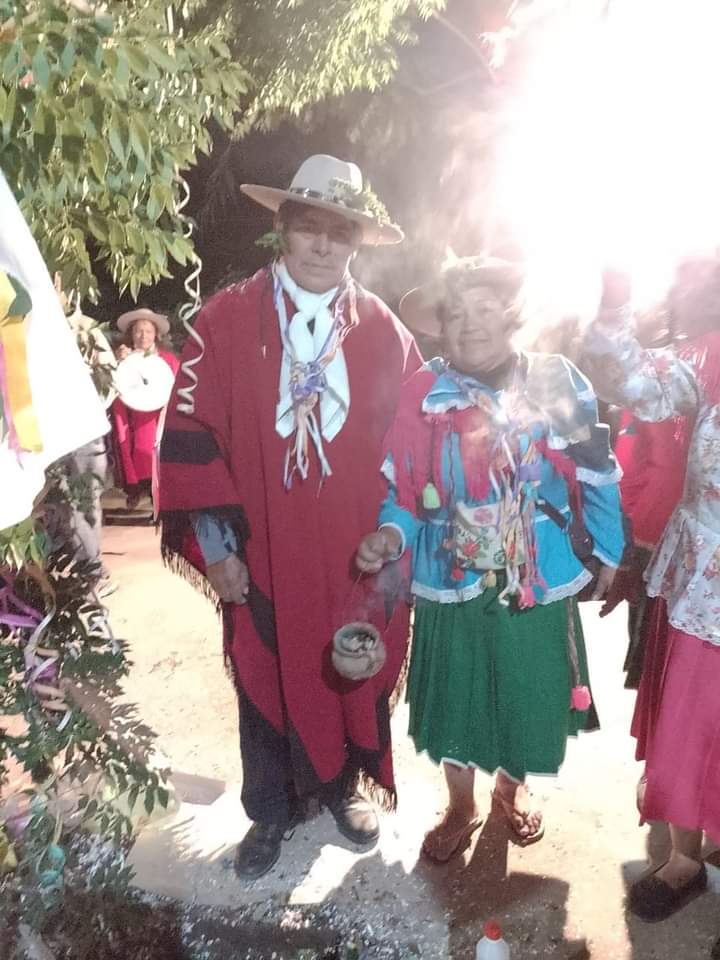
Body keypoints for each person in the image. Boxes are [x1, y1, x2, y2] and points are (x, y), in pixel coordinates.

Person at [158, 154, 421, 880]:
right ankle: (271, 811)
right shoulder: (226, 318)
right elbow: (193, 436)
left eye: (342, 232)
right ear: (283, 227)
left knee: (349, 664)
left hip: (353, 555)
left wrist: (395, 537)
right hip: (262, 547)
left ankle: (342, 789)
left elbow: (414, 449)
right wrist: (217, 548)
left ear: (358, 242)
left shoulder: (384, 331)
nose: (324, 245)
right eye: (310, 226)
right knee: (264, 671)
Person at [356, 256, 625, 861]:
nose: (471, 323)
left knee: (525, 690)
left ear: (510, 316)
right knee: (455, 693)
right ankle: (461, 805)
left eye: (485, 309)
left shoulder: (553, 380)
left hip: (536, 574)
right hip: (448, 575)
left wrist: (608, 550)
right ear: (441, 327)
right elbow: (404, 490)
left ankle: (510, 789)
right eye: (457, 313)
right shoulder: (423, 393)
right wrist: (392, 536)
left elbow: (596, 468)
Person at [582, 255, 720, 922]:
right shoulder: (711, 356)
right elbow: (636, 380)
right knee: (689, 723)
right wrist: (616, 297)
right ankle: (685, 860)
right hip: (706, 586)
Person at [111, 308, 179, 510]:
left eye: (148, 331)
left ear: (155, 334)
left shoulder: (168, 360)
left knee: (155, 449)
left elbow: (178, 385)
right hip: (132, 414)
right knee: (132, 447)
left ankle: (158, 494)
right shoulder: (124, 358)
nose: (143, 336)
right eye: (138, 331)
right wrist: (118, 362)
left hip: (159, 415)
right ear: (131, 334)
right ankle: (134, 489)